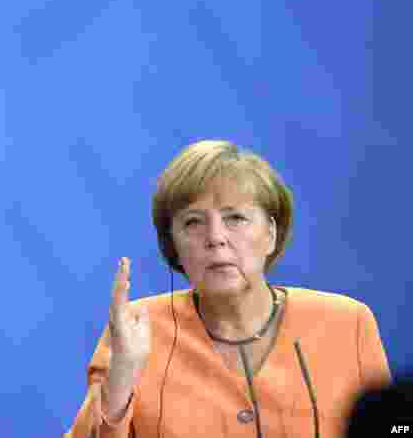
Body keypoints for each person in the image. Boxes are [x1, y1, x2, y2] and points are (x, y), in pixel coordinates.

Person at [65, 140, 391, 438]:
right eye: (193, 222)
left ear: (271, 234)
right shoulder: (137, 330)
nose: (216, 237)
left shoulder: (348, 324)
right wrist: (121, 379)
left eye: (234, 218)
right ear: (173, 245)